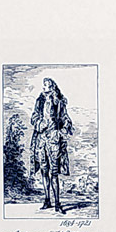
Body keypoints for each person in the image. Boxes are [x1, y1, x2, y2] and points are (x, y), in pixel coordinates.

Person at [30, 77, 74, 213]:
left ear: (52, 87)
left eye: (47, 85)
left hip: (54, 141)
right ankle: (47, 200)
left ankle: (57, 203)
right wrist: (39, 123)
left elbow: (65, 119)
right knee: (44, 171)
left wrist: (61, 132)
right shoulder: (40, 101)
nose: (44, 87)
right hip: (41, 140)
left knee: (54, 173)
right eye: (43, 85)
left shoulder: (59, 101)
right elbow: (34, 117)